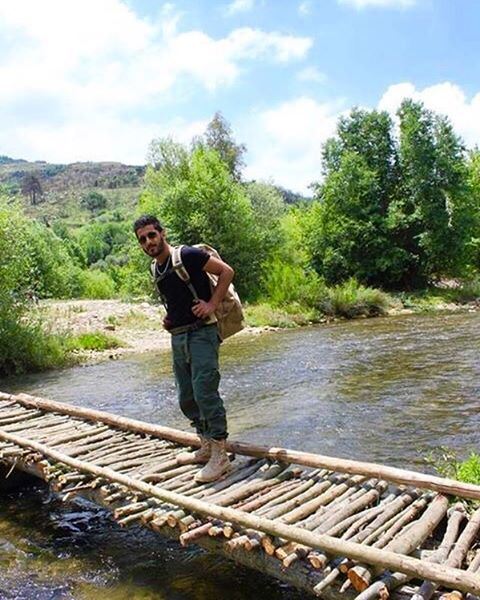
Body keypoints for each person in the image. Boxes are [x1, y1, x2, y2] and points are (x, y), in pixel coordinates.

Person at [133, 215, 234, 483]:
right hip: (177, 336)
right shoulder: (156, 268)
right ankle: (205, 445)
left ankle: (220, 455)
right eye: (142, 239)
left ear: (162, 233)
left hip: (202, 333)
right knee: (186, 396)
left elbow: (226, 272)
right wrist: (170, 319)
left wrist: (212, 304)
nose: (148, 242)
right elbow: (175, 299)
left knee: (205, 390)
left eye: (151, 235)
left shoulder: (187, 255)